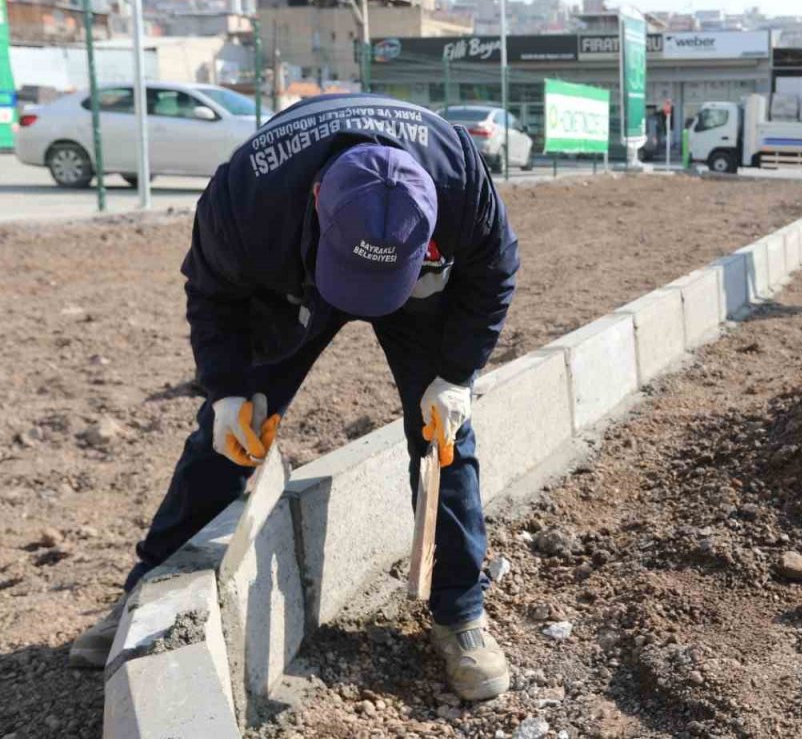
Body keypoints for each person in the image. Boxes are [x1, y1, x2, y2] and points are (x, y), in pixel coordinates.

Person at [69, 94, 520, 702]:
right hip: (297, 278)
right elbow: (211, 294)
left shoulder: (459, 177)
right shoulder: (248, 195)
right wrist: (227, 391)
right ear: (315, 199)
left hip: (417, 290)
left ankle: (460, 613)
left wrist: (456, 377)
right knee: (230, 434)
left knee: (443, 436)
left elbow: (494, 272)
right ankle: (145, 591)